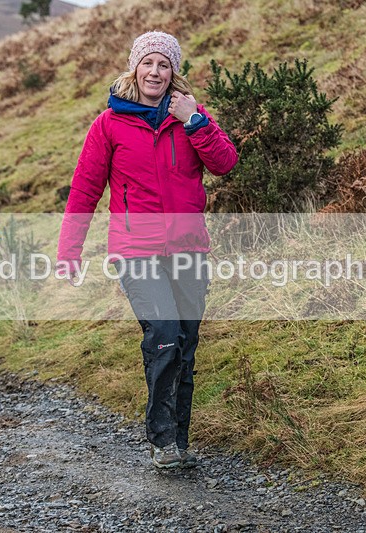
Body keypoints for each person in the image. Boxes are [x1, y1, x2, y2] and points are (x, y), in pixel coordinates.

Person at [57, 31, 238, 469]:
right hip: (135, 248)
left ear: (174, 72)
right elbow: (84, 189)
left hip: (188, 248)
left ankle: (178, 441)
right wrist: (70, 250)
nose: (155, 72)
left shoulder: (191, 117)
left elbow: (225, 163)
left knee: (186, 343)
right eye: (148, 63)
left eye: (164, 65)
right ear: (134, 68)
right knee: (163, 337)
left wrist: (195, 121)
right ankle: (161, 442)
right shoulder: (109, 124)